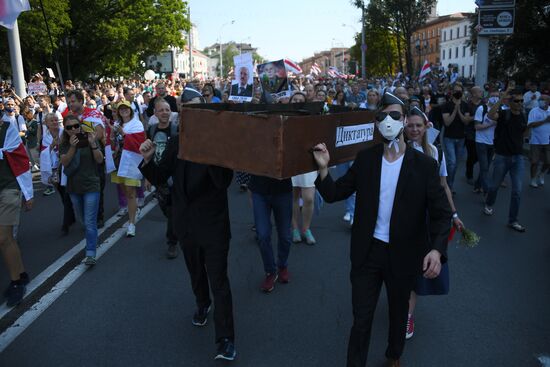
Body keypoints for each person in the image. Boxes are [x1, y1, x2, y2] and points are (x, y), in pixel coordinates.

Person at [312, 91, 451, 367]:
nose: (389, 120)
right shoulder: (366, 159)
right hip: (368, 253)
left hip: (404, 255)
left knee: (399, 313)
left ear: (405, 120)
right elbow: (334, 193)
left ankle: (393, 355)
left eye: (395, 115)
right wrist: (324, 169)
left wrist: (436, 250)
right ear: (376, 123)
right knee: (362, 318)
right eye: (383, 116)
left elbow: (441, 213)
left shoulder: (424, 165)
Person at [138, 106, 236, 360]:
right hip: (186, 224)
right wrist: (148, 159)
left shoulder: (218, 146)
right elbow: (161, 176)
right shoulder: (176, 143)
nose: (183, 124)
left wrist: (208, 151)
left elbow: (223, 181)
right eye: (182, 120)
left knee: (219, 280)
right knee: (195, 272)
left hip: (213, 225)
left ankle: (225, 339)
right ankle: (202, 304)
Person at [403, 106, 464, 340]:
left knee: (417, 268)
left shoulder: (434, 152)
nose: (415, 129)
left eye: (418, 125)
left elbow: (443, 186)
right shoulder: (396, 150)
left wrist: (454, 215)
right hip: (401, 218)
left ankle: (407, 315)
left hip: (426, 220)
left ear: (426, 127)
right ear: (404, 127)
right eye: (410, 125)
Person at [60, 115, 104, 265]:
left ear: (80, 126)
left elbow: (99, 160)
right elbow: (65, 162)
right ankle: (92, 241)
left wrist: (93, 144)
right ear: (65, 130)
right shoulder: (65, 144)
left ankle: (91, 253)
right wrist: (73, 146)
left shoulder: (89, 138)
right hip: (74, 188)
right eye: (69, 127)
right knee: (84, 220)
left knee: (90, 221)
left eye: (76, 126)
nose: (73, 129)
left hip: (91, 185)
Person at [0, 114, 33, 307]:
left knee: (3, 238)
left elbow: (20, 159)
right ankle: (21, 274)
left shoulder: (7, 128)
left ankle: (15, 283)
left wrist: (28, 193)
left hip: (9, 188)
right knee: (8, 239)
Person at [484, 89, 528, 232]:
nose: (520, 103)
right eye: (517, 101)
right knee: (494, 186)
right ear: (510, 102)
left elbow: (524, 132)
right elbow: (490, 115)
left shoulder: (523, 115)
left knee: (517, 190)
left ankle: (513, 220)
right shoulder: (504, 114)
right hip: (502, 156)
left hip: (518, 157)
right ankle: (489, 204)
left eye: (522, 101)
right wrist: (502, 97)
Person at [146, 99, 179, 258]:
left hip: (174, 176)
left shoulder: (176, 130)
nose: (165, 113)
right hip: (159, 176)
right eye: (161, 110)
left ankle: (172, 243)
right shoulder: (151, 130)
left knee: (172, 211)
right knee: (165, 208)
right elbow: (148, 153)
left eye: (167, 110)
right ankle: (177, 225)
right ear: (155, 113)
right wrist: (148, 176)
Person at [111, 101, 146, 237]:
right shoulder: (116, 124)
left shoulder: (137, 124)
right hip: (118, 161)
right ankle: (134, 209)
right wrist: (113, 137)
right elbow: (113, 144)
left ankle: (131, 224)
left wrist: (124, 133)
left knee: (131, 193)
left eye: (126, 108)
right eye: (121, 109)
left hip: (131, 161)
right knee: (125, 190)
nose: (124, 111)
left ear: (131, 110)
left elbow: (139, 143)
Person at [289, 93, 318, 245]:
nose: (298, 102)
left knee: (308, 198)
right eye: (295, 100)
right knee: (293, 197)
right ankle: (294, 228)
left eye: (301, 100)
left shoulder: (311, 117)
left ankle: (306, 228)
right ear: (290, 101)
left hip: (308, 161)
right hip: (291, 160)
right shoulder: (285, 116)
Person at [442, 84, 471, 191]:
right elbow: (447, 122)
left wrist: (459, 110)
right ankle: (448, 186)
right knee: (452, 163)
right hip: (449, 137)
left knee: (455, 164)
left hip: (461, 138)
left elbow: (466, 121)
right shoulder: (446, 105)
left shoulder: (465, 105)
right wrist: (455, 109)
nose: (458, 93)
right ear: (452, 92)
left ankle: (449, 183)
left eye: (460, 91)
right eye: (455, 91)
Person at [473, 90, 499, 194]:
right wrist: (491, 124)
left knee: (486, 166)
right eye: (493, 96)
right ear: (489, 97)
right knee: (484, 167)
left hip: (492, 143)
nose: (495, 98)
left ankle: (477, 185)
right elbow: (477, 126)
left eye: (497, 96)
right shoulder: (481, 108)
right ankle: (486, 190)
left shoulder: (499, 110)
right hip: (481, 142)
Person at [527, 95, 550, 188]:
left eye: (543, 99)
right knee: (534, 162)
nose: (541, 101)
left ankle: (541, 173)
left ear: (548, 101)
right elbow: (530, 124)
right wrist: (545, 121)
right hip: (536, 140)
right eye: (540, 99)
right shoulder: (534, 111)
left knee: (548, 162)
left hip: (548, 140)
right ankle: (532, 179)